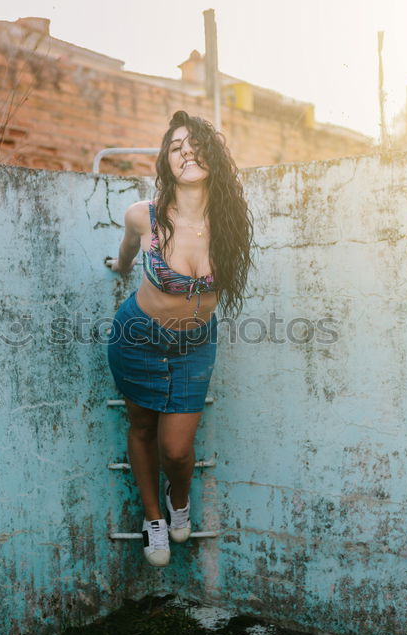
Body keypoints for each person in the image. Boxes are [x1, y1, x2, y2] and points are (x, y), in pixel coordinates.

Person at [107, 110, 253, 566]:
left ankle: (178, 498)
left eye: (195, 144)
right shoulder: (143, 216)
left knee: (177, 448)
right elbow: (128, 252)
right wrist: (122, 268)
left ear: (213, 156)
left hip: (194, 346)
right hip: (136, 337)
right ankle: (154, 519)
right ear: (165, 163)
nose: (187, 151)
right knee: (142, 428)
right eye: (176, 147)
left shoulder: (229, 223)